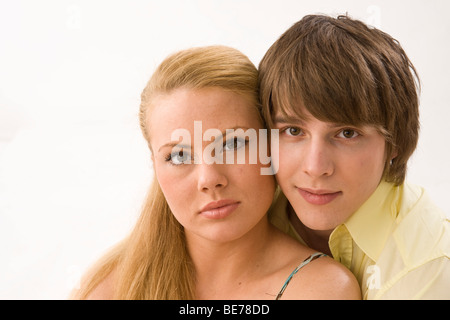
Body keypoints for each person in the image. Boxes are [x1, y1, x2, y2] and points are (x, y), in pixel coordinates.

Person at [71, 45, 360, 300]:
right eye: (179, 155)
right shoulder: (105, 286)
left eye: (233, 144)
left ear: (271, 145)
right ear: (154, 164)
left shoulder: (322, 289)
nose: (210, 179)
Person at [259, 14, 450, 299]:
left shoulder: (426, 267)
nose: (315, 167)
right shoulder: (251, 208)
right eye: (293, 130)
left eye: (347, 133)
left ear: (393, 143)